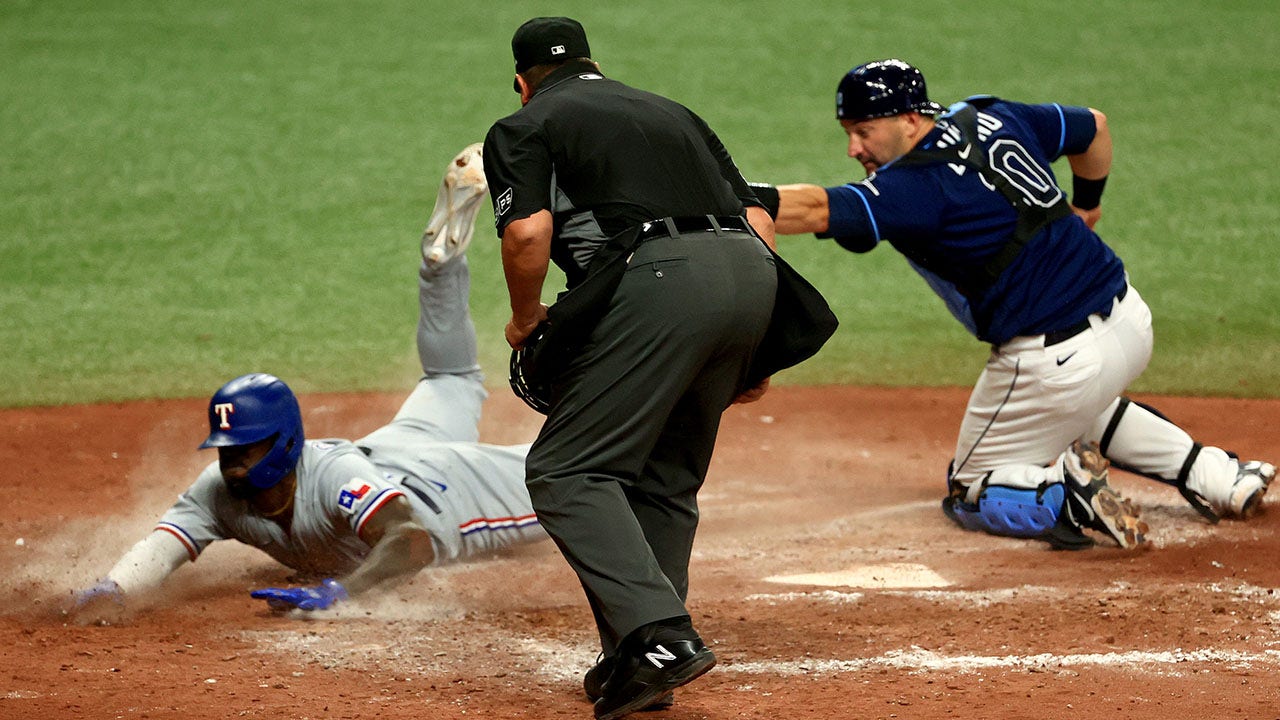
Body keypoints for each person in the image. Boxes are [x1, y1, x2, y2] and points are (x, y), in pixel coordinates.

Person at [753, 59, 1274, 551]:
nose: (853, 148)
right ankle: (1220, 476)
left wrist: (735, 199)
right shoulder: (992, 116)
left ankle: (1065, 497)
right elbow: (1094, 127)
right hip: (1130, 321)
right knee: (1077, 411)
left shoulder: (913, 187)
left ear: (909, 120)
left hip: (1051, 361)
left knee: (970, 488)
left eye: (864, 131)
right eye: (848, 132)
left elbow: (815, 208)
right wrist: (1087, 205)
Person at [69, 144, 546, 622]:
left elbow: (412, 540)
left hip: (448, 490)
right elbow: (160, 548)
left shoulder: (333, 480)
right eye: (227, 451)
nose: (232, 466)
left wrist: (341, 593)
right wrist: (111, 590)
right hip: (392, 452)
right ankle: (440, 266)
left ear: (283, 444)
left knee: (570, 476)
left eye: (245, 450)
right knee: (450, 378)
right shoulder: (218, 491)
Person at [481, 17, 784, 720]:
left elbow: (527, 232)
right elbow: (760, 220)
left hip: (660, 282)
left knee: (567, 470)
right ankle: (639, 660)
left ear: (522, 83)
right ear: (593, 63)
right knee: (663, 476)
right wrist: (755, 342)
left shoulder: (525, 124)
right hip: (751, 278)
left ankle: (661, 637)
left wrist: (525, 319)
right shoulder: (672, 113)